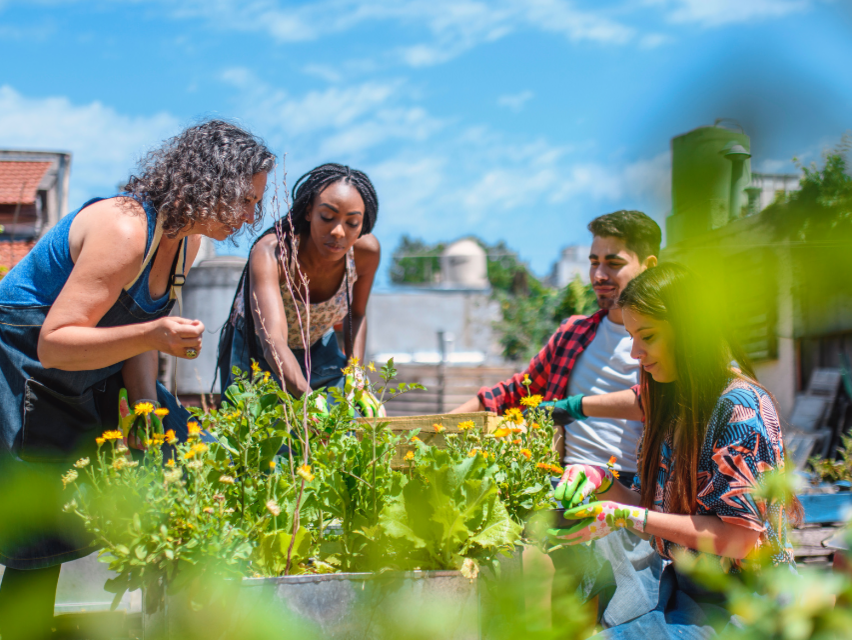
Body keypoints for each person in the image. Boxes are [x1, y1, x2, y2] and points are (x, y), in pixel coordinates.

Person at [0, 120, 275, 639]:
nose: (251, 216)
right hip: (26, 373)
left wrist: (146, 410)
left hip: (88, 372)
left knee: (183, 450)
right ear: (211, 182)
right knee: (38, 546)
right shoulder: (125, 230)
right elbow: (55, 342)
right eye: (246, 199)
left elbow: (138, 341)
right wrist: (155, 333)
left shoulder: (186, 247)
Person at [551, 263, 801, 638]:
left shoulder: (740, 409)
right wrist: (601, 481)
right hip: (691, 594)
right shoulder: (676, 403)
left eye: (647, 336)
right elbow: (663, 513)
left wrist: (621, 516)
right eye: (632, 336)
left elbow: (740, 539)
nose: (636, 352)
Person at [451, 209, 661, 484]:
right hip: (564, 483)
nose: (598, 275)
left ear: (649, 265)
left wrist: (573, 406)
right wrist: (434, 425)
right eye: (594, 262)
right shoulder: (572, 334)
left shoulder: (666, 337)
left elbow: (657, 399)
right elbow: (515, 392)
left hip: (639, 488)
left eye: (613, 263)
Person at [217, 163, 380, 398]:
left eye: (352, 223)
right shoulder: (273, 253)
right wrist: (309, 403)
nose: (338, 232)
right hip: (257, 347)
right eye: (327, 216)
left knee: (345, 422)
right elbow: (273, 340)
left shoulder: (366, 253)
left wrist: (356, 372)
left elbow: (357, 314)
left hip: (317, 343)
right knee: (257, 430)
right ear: (308, 212)